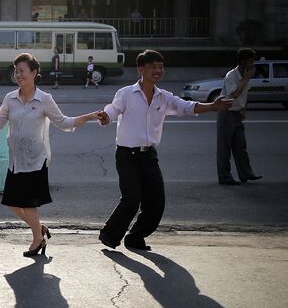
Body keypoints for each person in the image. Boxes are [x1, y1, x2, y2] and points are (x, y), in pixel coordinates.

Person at [96, 50, 233, 251]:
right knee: (132, 199)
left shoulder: (164, 97)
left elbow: (186, 107)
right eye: (153, 67)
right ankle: (110, 234)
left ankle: (136, 237)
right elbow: (112, 110)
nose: (158, 71)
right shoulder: (126, 94)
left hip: (149, 156)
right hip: (127, 156)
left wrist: (212, 106)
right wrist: (106, 117)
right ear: (141, 69)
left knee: (156, 203)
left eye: (161, 67)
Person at [0, 53, 101, 257]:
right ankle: (40, 229)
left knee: (28, 204)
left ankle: (37, 240)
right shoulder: (10, 98)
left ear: (34, 73)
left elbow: (64, 122)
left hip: (35, 161)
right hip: (15, 162)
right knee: (12, 203)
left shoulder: (44, 99)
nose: (18, 75)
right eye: (16, 71)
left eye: (22, 71)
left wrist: (89, 116)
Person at [217, 48, 262, 185]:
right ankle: (225, 177)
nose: (252, 64)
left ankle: (246, 174)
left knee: (241, 146)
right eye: (250, 61)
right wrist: (247, 78)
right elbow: (236, 93)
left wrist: (244, 110)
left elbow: (244, 95)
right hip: (226, 113)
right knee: (224, 148)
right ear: (243, 61)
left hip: (237, 114)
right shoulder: (231, 75)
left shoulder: (245, 76)